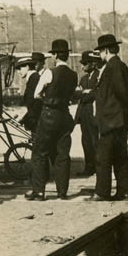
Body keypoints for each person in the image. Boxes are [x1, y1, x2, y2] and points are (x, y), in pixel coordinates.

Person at [91, 34, 128, 201]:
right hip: (119, 120)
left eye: (100, 51)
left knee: (103, 157)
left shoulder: (112, 67)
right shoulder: (121, 66)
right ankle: (124, 190)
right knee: (120, 157)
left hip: (111, 120)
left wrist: (126, 115)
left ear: (106, 50)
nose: (99, 55)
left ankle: (102, 192)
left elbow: (122, 92)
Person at [26, 39, 78, 201]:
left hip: (49, 115)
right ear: (68, 55)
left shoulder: (50, 72)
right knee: (63, 154)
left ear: (55, 55)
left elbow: (37, 94)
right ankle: (62, 192)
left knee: (40, 153)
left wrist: (47, 98)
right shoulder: (74, 75)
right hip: (65, 115)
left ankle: (39, 191)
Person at [73, 51, 101, 175]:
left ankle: (99, 167)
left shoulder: (99, 76)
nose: (82, 66)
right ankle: (89, 167)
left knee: (95, 140)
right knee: (85, 141)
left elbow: (96, 94)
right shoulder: (83, 79)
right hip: (84, 113)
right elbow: (76, 94)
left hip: (93, 112)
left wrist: (86, 93)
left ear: (93, 64)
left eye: (85, 63)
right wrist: (86, 93)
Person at [17, 52, 46, 133]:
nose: (18, 72)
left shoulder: (34, 79)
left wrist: (28, 119)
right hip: (37, 121)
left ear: (27, 67)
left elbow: (37, 103)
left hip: (37, 122)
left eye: (20, 68)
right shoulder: (33, 78)